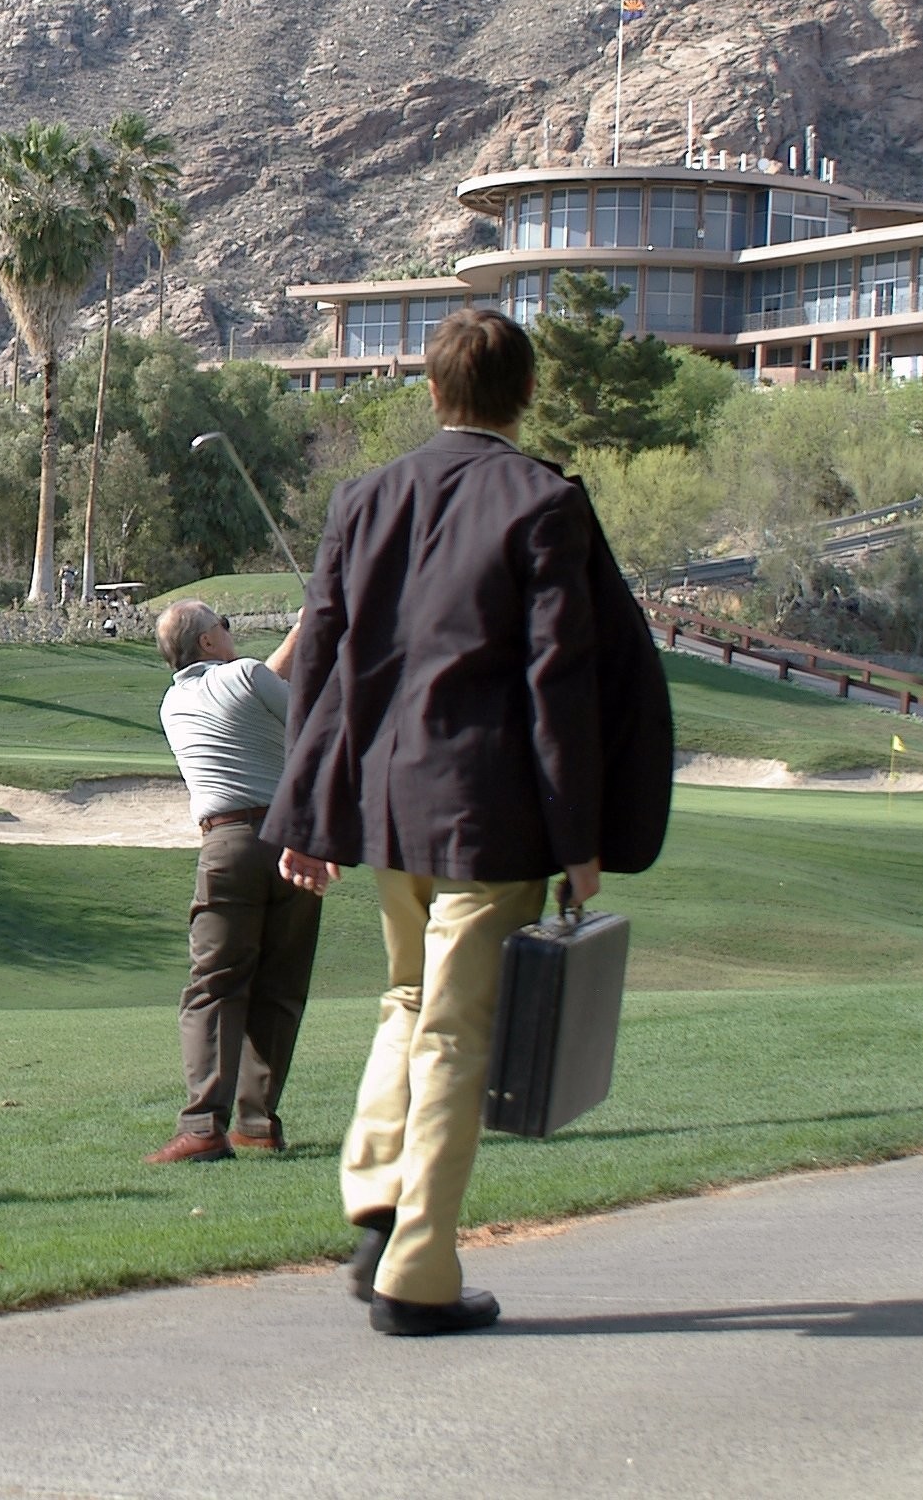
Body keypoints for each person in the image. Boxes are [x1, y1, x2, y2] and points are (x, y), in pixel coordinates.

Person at [267, 306, 669, 1338]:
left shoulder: (363, 498)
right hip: (489, 813)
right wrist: (578, 839)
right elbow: (558, 683)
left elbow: (321, 661)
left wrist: (309, 812)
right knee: (453, 1032)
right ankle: (416, 1270)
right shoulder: (543, 502)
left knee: (405, 998)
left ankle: (372, 1190)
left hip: (385, 807)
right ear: (523, 393)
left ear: (433, 391)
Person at [144, 599, 326, 1164]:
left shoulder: (172, 703)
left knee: (214, 987)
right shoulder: (246, 674)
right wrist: (314, 635)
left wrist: (301, 632)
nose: (231, 628)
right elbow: (298, 711)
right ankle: (256, 1122)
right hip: (289, 841)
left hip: (227, 848)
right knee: (280, 987)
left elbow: (254, 683)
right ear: (206, 643)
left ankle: (204, 1125)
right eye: (224, 622)